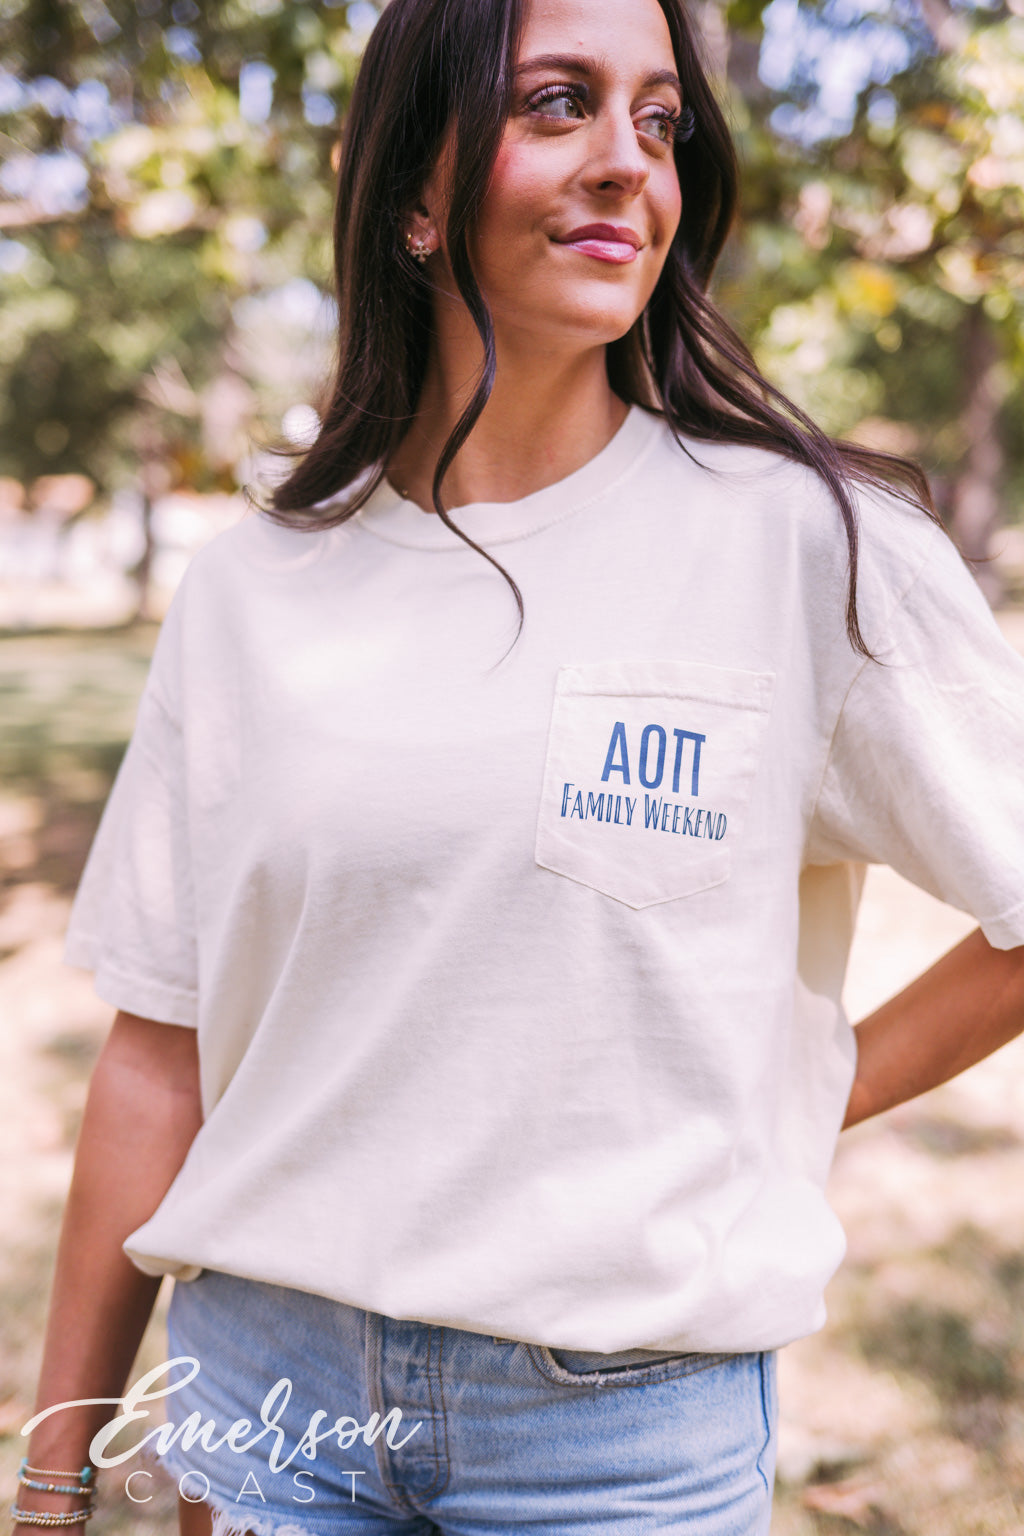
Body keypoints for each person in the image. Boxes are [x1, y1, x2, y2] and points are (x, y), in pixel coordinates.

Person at [13, 0, 1024, 1532]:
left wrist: (805, 1093)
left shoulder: (808, 546)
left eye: (658, 120)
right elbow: (159, 1057)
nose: (628, 160)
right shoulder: (252, 590)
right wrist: (51, 1477)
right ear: (417, 194)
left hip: (618, 1442)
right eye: (558, 104)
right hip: (266, 1408)